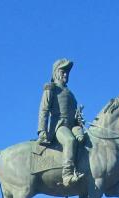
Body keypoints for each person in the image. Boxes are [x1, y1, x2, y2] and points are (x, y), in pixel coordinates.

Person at [38, 58, 86, 187]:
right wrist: (42, 130)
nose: (65, 74)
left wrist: (79, 122)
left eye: (67, 72)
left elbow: (74, 116)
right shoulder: (51, 88)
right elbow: (44, 110)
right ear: (55, 72)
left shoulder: (71, 94)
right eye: (62, 71)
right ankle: (67, 175)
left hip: (72, 127)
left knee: (86, 142)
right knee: (70, 140)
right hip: (59, 126)